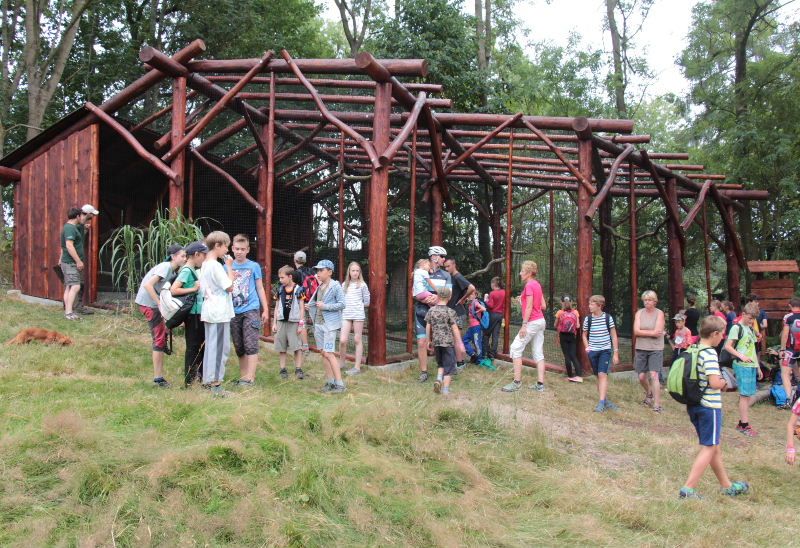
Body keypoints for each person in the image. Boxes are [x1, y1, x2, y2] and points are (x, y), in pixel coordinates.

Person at [679, 315, 749, 499]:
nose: (723, 338)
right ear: (714, 334)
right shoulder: (709, 353)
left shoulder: (694, 348)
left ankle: (727, 486)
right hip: (709, 407)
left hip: (695, 405)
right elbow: (714, 383)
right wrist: (725, 381)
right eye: (722, 334)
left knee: (713, 446)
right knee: (709, 447)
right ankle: (688, 489)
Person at [134, 243, 186, 388]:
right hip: (149, 304)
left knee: (162, 335)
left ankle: (159, 376)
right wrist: (159, 303)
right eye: (182, 256)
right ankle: (158, 379)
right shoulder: (165, 267)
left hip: (153, 304)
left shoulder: (173, 271)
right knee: (159, 338)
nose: (185, 258)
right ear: (173, 256)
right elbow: (148, 285)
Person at [229, 234, 269, 386]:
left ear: (247, 250)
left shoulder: (254, 266)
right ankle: (243, 376)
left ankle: (250, 378)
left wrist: (265, 309)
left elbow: (260, 287)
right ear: (232, 249)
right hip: (233, 310)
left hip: (251, 309)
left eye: (242, 249)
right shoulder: (227, 266)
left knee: (251, 343)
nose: (239, 252)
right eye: (237, 249)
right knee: (239, 345)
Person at [501, 260, 547, 393]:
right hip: (541, 321)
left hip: (532, 322)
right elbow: (543, 306)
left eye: (522, 271)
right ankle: (540, 385)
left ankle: (516, 383)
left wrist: (524, 325)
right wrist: (523, 301)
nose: (520, 273)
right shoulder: (537, 285)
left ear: (528, 273)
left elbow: (529, 306)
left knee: (515, 349)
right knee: (538, 353)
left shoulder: (529, 285)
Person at [200, 231, 235, 397]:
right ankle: (216, 384)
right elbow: (229, 286)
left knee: (211, 346)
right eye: (225, 246)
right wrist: (229, 266)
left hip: (210, 310)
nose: (227, 250)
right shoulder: (215, 265)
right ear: (217, 245)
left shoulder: (205, 264)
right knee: (220, 348)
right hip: (219, 312)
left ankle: (208, 381)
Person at [306, 259, 346, 393]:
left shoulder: (336, 286)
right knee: (323, 353)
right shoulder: (320, 286)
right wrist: (310, 306)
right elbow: (317, 303)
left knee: (329, 353)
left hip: (329, 326)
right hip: (318, 324)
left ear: (329, 272)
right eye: (317, 270)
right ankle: (330, 382)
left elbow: (342, 304)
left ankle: (340, 384)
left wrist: (326, 306)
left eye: (321, 270)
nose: (318, 273)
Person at [171, 241, 207, 386]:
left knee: (199, 345)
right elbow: (174, 290)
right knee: (193, 346)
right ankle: (190, 381)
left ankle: (197, 376)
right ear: (196, 254)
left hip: (197, 314)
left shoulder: (192, 269)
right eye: (203, 255)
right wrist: (193, 289)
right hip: (192, 315)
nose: (204, 258)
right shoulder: (187, 270)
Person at [413, 246, 452, 382]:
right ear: (434, 257)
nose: (444, 259)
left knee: (440, 342)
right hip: (421, 310)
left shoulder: (446, 275)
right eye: (442, 256)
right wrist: (423, 299)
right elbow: (414, 292)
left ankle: (443, 370)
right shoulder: (421, 272)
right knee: (421, 342)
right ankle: (424, 372)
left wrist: (436, 298)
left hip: (438, 311)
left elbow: (449, 295)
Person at [724, 302, 762, 437]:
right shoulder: (736, 328)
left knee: (747, 396)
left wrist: (758, 367)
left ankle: (742, 423)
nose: (752, 321)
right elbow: (728, 346)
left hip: (751, 366)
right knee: (744, 396)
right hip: (742, 366)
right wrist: (741, 356)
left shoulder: (750, 329)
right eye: (750, 318)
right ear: (743, 314)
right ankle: (744, 425)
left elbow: (752, 350)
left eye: (754, 319)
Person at [582, 294, 620, 412]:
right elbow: (584, 335)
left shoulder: (608, 318)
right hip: (593, 352)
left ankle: (601, 403)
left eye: (591, 304)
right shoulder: (588, 319)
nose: (589, 306)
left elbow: (614, 336)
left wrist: (616, 353)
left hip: (605, 350)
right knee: (598, 376)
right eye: (589, 304)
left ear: (599, 305)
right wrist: (587, 348)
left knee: (602, 374)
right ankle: (605, 401)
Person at [425, 287, 464, 396]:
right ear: (449, 297)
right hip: (448, 343)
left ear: (437, 296)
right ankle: (445, 390)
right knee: (449, 368)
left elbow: (428, 326)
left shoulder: (431, 310)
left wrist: (428, 341)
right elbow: (455, 328)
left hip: (436, 343)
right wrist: (460, 344)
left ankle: (438, 380)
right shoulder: (450, 311)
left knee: (441, 363)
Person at [59, 206, 95, 320]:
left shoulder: (71, 227)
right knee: (75, 286)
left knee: (69, 287)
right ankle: (69, 312)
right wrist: (78, 261)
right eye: (81, 216)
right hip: (71, 263)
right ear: (78, 216)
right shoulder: (70, 228)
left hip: (68, 262)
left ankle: (68, 311)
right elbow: (69, 246)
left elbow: (65, 246)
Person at [634, 290, 666, 413]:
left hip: (655, 348)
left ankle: (657, 405)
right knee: (641, 376)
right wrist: (651, 333)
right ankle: (649, 393)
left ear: (654, 301)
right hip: (641, 347)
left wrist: (643, 332)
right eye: (645, 300)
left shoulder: (659, 313)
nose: (647, 302)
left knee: (654, 375)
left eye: (649, 300)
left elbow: (658, 332)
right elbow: (636, 331)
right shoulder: (639, 313)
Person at [271, 265, 305, 380]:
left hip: (294, 322)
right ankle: (283, 369)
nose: (280, 280)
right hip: (281, 322)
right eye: (279, 278)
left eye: (282, 278)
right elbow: (276, 307)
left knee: (297, 346)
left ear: (290, 277)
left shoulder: (299, 289)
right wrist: (274, 323)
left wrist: (301, 324)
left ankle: (298, 369)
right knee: (282, 347)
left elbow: (302, 308)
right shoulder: (279, 289)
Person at [443, 258, 476, 372]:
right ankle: (456, 361)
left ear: (454, 265)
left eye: (448, 266)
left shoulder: (457, 276)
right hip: (451, 312)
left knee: (457, 338)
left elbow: (472, 288)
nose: (446, 269)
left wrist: (462, 299)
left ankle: (460, 363)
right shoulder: (451, 277)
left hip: (458, 312)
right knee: (453, 338)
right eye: (445, 267)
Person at [340, 261, 371, 376]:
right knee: (343, 340)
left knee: (357, 339)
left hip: (358, 315)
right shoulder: (344, 284)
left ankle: (357, 367)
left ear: (360, 272)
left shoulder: (362, 285)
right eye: (353, 270)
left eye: (357, 271)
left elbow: (367, 301)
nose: (355, 273)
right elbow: (341, 300)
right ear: (349, 271)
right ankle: (341, 363)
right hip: (346, 314)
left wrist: (358, 306)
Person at [555, 294, 582, 382]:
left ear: (561, 302)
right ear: (571, 302)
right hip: (572, 336)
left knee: (567, 356)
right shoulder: (575, 312)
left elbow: (555, 325)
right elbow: (577, 326)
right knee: (573, 356)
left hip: (563, 335)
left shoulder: (559, 312)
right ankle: (579, 376)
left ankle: (570, 376)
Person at [779, 298, 800, 409]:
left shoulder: (788, 317)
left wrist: (782, 349)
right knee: (797, 372)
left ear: (790, 306)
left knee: (785, 373)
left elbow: (785, 333)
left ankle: (789, 399)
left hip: (791, 349)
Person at [293, 250, 315, 355]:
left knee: (302, 323)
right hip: (313, 301)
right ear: (305, 260)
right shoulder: (312, 271)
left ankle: (305, 347)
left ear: (294, 260)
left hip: (302, 302)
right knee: (317, 323)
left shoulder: (295, 273)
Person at [462, 292, 491, 367]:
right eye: (469, 294)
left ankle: (479, 360)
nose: (470, 296)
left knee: (477, 343)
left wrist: (476, 312)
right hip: (471, 327)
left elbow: (483, 309)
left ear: (475, 295)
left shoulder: (475, 302)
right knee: (464, 341)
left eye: (472, 294)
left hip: (476, 327)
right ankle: (473, 354)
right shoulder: (470, 303)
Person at [483, 276, 506, 360]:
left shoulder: (492, 293)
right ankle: (493, 353)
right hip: (500, 315)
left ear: (493, 284)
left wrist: (486, 300)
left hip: (492, 314)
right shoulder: (504, 292)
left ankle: (487, 351)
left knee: (486, 333)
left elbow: (491, 305)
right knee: (496, 334)